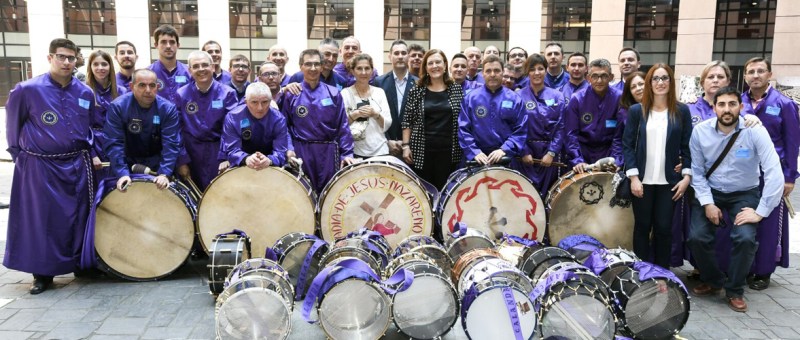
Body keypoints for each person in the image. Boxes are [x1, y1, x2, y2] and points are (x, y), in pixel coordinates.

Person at [5, 38, 97, 294]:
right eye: (61, 57)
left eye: (71, 58)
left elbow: (90, 126)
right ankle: (42, 274)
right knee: (42, 220)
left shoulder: (85, 92)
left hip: (77, 164)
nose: (66, 62)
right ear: (50, 58)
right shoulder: (27, 90)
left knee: (76, 217)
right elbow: (13, 130)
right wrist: (21, 158)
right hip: (40, 166)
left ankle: (79, 263)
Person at [687, 87, 782, 313]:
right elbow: (697, 171)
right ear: (714, 107)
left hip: (744, 193)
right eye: (722, 104)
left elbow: (773, 171)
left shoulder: (755, 131)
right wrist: (708, 203)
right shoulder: (700, 132)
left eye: (732, 104)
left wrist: (760, 211)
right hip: (711, 191)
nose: (727, 109)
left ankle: (735, 290)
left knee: (745, 239)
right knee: (697, 238)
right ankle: (713, 280)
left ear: (741, 107)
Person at [622, 64, 692, 268]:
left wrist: (686, 177)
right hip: (642, 180)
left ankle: (662, 272)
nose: (660, 83)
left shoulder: (681, 111)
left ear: (671, 82)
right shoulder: (637, 111)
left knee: (663, 228)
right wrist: (633, 177)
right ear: (649, 83)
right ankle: (641, 271)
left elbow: (688, 147)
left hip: (669, 182)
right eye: (655, 79)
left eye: (664, 78)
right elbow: (627, 145)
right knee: (642, 227)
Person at [739, 57, 800, 290]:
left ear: (769, 74)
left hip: (772, 174)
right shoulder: (738, 102)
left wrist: (790, 177)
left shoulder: (784, 104)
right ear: (745, 76)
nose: (755, 75)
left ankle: (763, 271)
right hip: (744, 172)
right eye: (751, 71)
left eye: (760, 71)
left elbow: (793, 142)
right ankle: (744, 267)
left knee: (768, 223)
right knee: (745, 218)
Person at [280, 49, 355, 193]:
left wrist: (347, 153)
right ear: (301, 66)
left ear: (322, 67)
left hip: (328, 153)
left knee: (329, 195)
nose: (313, 68)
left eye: (316, 64)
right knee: (302, 195)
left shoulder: (333, 93)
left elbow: (343, 126)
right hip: (301, 152)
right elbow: (285, 127)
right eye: (308, 64)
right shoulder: (292, 94)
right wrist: (289, 149)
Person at [104, 69, 181, 192]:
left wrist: (164, 173)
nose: (148, 90)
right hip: (125, 165)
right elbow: (114, 143)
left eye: (152, 85)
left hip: (157, 165)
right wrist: (122, 173)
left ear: (157, 86)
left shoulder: (167, 109)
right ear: (131, 86)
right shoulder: (118, 107)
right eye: (142, 85)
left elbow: (171, 144)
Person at [175, 51, 239, 191]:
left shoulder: (228, 93)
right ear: (190, 70)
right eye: (196, 66)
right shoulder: (182, 94)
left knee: (219, 195)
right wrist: (182, 160)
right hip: (192, 154)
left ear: (212, 67)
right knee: (192, 197)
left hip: (218, 152)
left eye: (205, 65)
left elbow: (231, 130)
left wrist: (225, 157)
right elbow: (176, 130)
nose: (201, 69)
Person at [401, 49, 464, 189]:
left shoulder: (456, 89)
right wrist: (406, 146)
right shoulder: (417, 90)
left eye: (438, 62)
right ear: (426, 68)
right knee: (424, 191)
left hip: (449, 152)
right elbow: (407, 120)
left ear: (445, 65)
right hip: (421, 151)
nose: (435, 66)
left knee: (445, 191)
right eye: (430, 63)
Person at [459, 55, 527, 168]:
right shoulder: (470, 99)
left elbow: (521, 130)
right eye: (488, 71)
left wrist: (504, 149)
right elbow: (463, 129)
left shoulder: (515, 99)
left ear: (502, 73)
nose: (492, 74)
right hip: (477, 159)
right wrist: (475, 152)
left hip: (505, 159)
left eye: (496, 70)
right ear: (483, 74)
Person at [517, 54, 566, 195]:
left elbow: (561, 126)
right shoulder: (518, 96)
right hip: (525, 156)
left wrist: (551, 152)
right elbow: (515, 128)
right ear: (527, 72)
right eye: (532, 69)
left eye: (540, 68)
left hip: (549, 154)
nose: (537, 73)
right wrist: (524, 151)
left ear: (546, 70)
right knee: (524, 196)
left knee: (550, 196)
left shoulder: (557, 96)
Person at [565, 58, 624, 173]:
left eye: (604, 76)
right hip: (583, 153)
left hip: (609, 152)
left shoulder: (619, 98)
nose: (599, 80)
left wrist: (616, 160)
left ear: (611, 77)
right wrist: (577, 160)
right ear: (588, 78)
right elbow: (571, 134)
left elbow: (619, 135)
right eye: (595, 76)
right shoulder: (577, 99)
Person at [221, 82, 289, 169]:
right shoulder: (233, 117)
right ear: (246, 102)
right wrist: (245, 158)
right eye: (254, 102)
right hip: (241, 164)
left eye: (264, 102)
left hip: (270, 165)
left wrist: (270, 160)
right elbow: (231, 149)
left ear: (270, 101)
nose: (260, 108)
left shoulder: (278, 119)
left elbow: (281, 151)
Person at [86, 49, 127, 181]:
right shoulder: (84, 91)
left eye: (104, 64)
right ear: (90, 67)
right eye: (96, 64)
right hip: (94, 144)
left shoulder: (122, 91)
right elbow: (81, 126)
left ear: (110, 66)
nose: (100, 68)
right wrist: (92, 154)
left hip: (116, 144)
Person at [341, 53, 392, 158]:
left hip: (380, 150)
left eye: (367, 68)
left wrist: (375, 114)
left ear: (372, 70)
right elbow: (341, 125)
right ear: (352, 71)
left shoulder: (379, 92)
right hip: (355, 151)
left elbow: (387, 123)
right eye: (359, 68)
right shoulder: (345, 93)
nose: (363, 72)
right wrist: (355, 115)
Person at [375, 39, 417, 156]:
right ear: (390, 57)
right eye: (396, 53)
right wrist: (387, 141)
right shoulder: (379, 82)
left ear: (408, 56)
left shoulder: (419, 84)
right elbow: (376, 116)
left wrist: (406, 143)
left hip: (411, 149)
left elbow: (419, 119)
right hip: (385, 145)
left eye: (403, 53)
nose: (400, 56)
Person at [148, 24, 191, 103]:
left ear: (178, 45)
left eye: (172, 42)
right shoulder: (148, 73)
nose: (168, 46)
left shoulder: (189, 72)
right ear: (156, 45)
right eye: (163, 42)